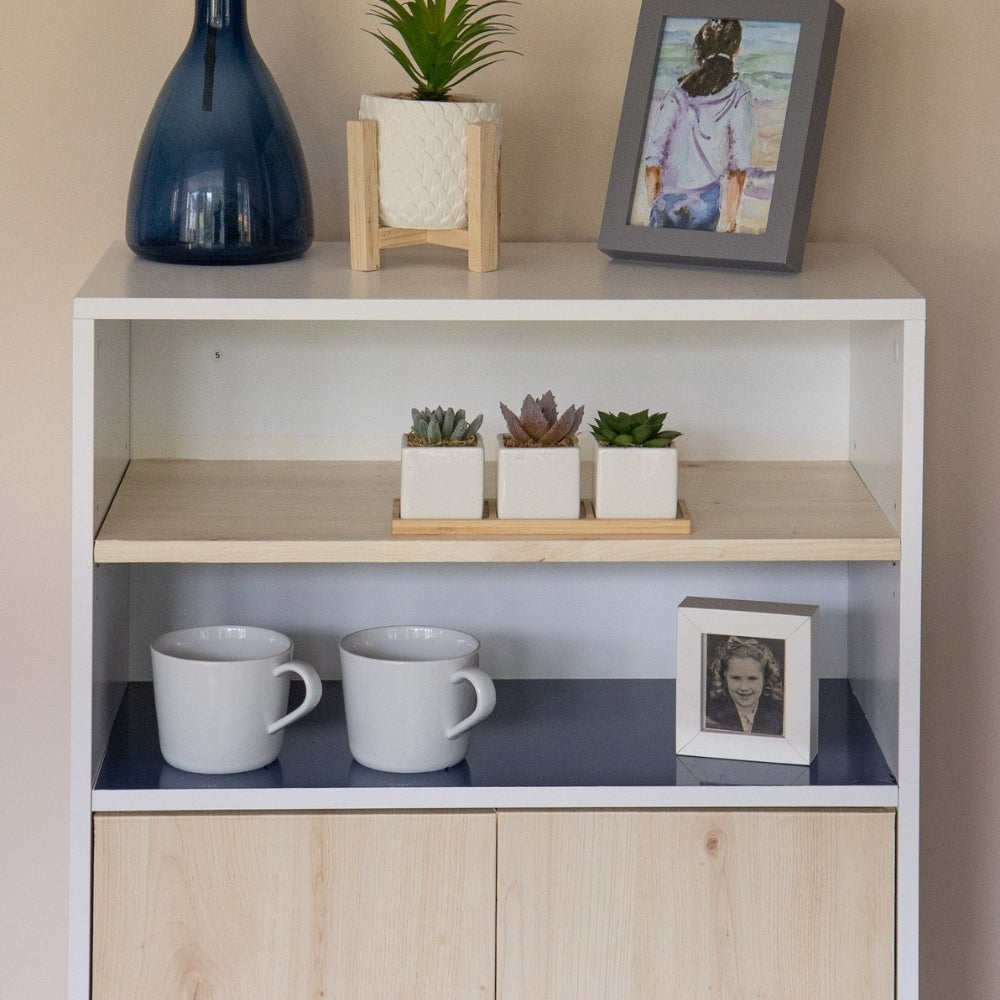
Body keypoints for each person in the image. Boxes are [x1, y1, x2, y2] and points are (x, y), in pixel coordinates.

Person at [641, 18, 754, 232]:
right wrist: (730, 222)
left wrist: (654, 204)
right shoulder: (739, 94)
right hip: (707, 204)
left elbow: (653, 158)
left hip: (667, 201)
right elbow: (737, 168)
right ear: (736, 49)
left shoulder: (678, 92)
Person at [704, 635, 783, 735]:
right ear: (724, 676)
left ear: (765, 678)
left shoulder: (779, 717)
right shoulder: (708, 715)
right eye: (736, 678)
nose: (744, 687)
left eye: (752, 679)